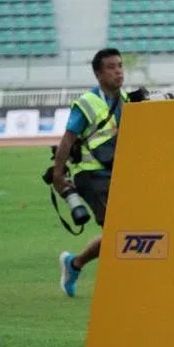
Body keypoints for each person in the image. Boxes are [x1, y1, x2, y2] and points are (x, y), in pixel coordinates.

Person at [52, 48, 128, 297]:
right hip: (91, 175)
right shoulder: (86, 102)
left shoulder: (126, 99)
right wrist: (58, 173)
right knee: (121, 230)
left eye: (120, 65)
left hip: (117, 174)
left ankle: (74, 263)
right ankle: (121, 287)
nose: (118, 71)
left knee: (125, 230)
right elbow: (68, 137)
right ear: (98, 74)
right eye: (111, 67)